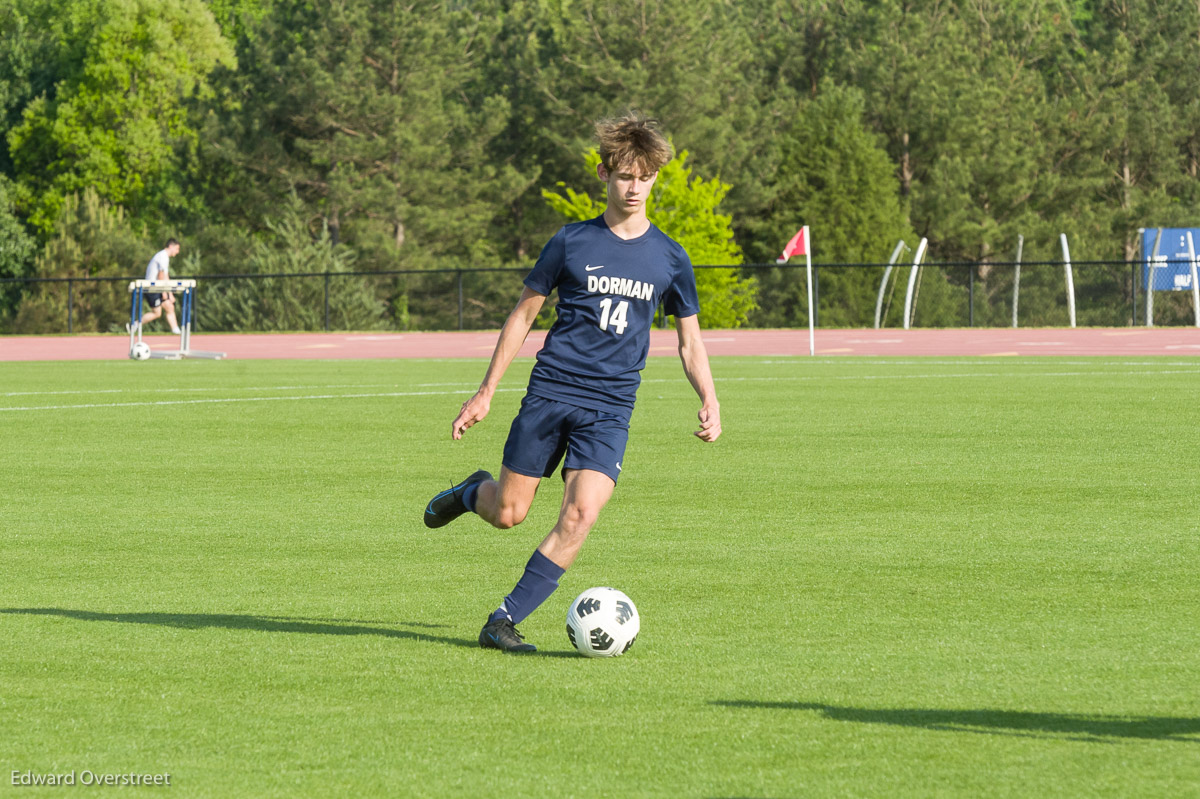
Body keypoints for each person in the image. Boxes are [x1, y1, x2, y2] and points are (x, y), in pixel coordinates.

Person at [423, 114, 722, 653]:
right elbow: (523, 316)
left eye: (645, 177)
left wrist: (710, 397)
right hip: (551, 393)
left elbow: (689, 340)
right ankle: (473, 492)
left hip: (610, 407)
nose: (634, 188)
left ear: (656, 180)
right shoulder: (570, 242)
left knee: (581, 513)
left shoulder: (671, 258)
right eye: (625, 176)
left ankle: (503, 619)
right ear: (605, 175)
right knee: (509, 513)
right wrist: (486, 391)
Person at [132, 239, 182, 335]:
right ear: (171, 246)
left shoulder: (165, 257)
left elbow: (166, 277)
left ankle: (176, 330)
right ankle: (135, 324)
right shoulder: (163, 256)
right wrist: (164, 292)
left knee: (169, 306)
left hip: (158, 287)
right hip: (152, 288)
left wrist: (170, 293)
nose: (178, 252)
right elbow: (161, 276)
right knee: (157, 313)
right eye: (177, 248)